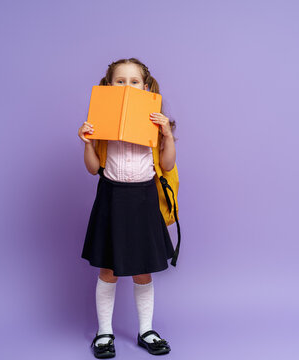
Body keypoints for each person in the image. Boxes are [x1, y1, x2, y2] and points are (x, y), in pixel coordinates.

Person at [78, 58, 176, 358]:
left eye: (134, 81)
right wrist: (87, 142)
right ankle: (104, 332)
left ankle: (146, 329)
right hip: (112, 196)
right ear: (109, 86)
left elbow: (168, 164)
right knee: (109, 269)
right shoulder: (102, 120)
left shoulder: (154, 119)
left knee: (143, 271)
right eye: (120, 81)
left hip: (144, 198)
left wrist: (167, 135)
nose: (127, 86)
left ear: (145, 87)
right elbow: (93, 169)